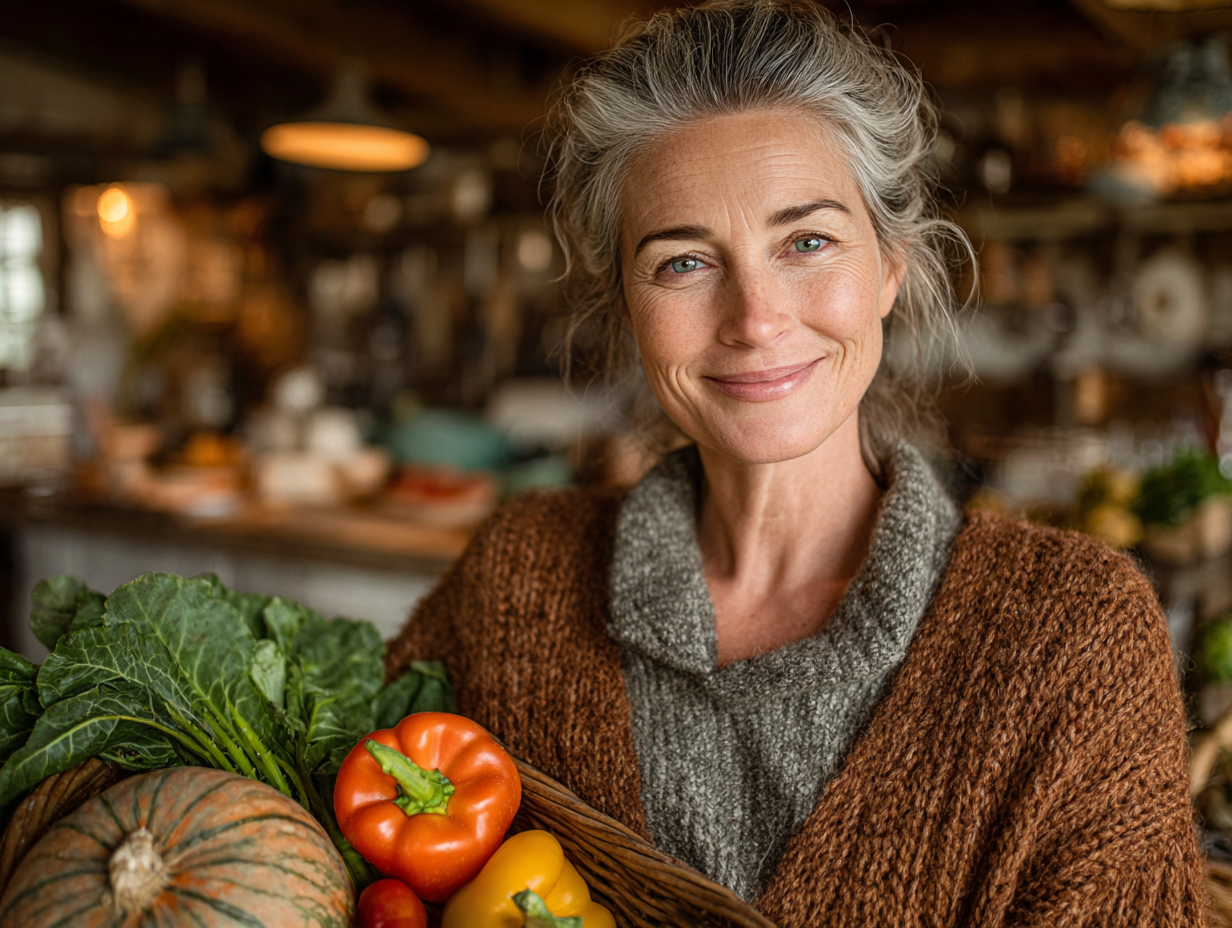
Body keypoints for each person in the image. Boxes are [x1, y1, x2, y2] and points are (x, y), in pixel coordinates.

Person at [387, 2, 1207, 923]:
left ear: (891, 263)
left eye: (807, 242)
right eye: (684, 263)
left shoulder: (1073, 641)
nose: (756, 318)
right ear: (623, 300)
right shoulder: (513, 583)